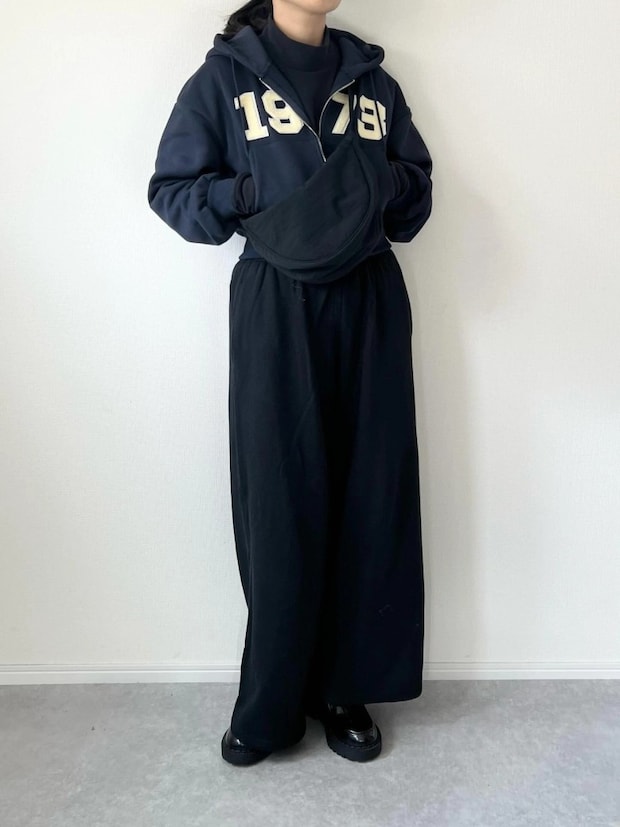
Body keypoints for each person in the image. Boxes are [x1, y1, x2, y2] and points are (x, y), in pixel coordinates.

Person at [147, 0, 433, 766]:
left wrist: (375, 182)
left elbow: (418, 195)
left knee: (372, 493)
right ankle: (272, 700)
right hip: (276, 296)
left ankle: (346, 688)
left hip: (369, 295)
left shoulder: (373, 82)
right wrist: (246, 195)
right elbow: (173, 190)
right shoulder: (224, 79)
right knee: (279, 498)